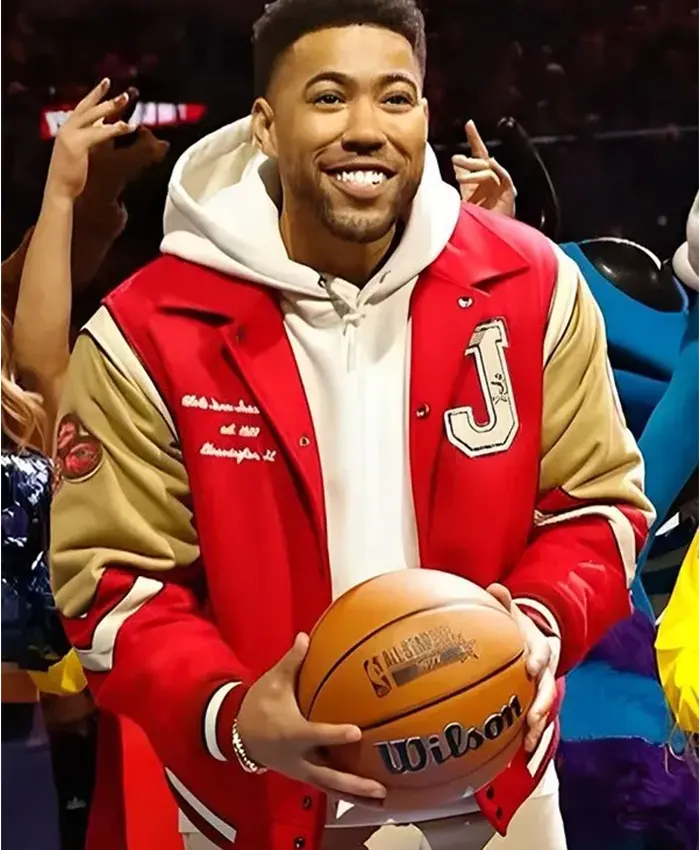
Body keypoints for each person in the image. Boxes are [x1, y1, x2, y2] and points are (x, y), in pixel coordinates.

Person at [50, 2, 654, 849]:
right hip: (259, 810)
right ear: (266, 125)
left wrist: (538, 622)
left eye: (394, 97)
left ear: (424, 115)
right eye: (329, 97)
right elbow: (111, 585)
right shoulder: (146, 333)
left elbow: (600, 507)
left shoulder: (535, 286)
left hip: (499, 795)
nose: (366, 128)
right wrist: (232, 714)